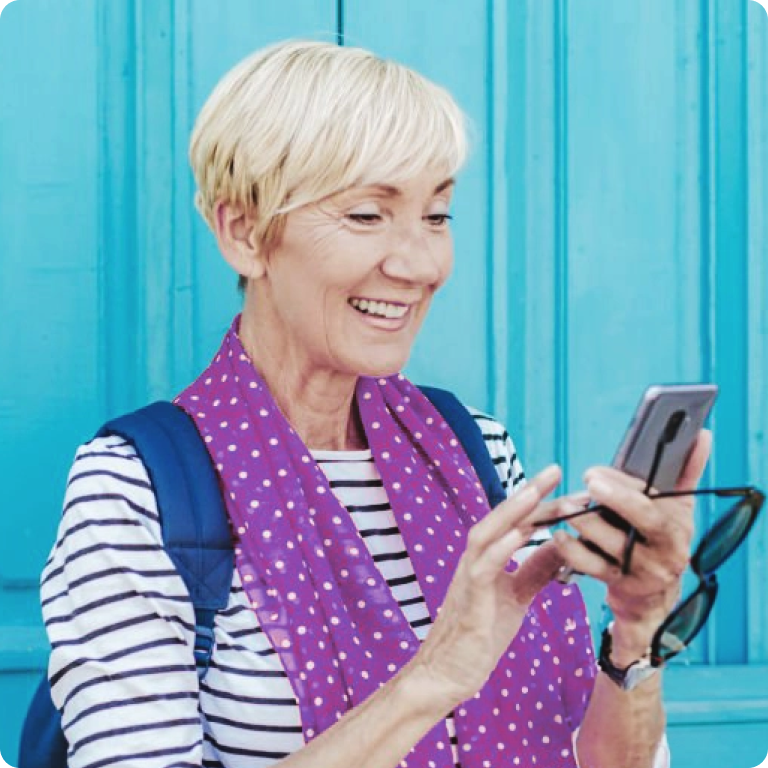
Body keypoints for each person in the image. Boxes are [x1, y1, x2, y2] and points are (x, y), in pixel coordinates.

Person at [40, 40, 710, 768]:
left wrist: (639, 631)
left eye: (436, 215)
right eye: (366, 215)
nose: (419, 264)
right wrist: (434, 678)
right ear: (244, 233)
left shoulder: (477, 449)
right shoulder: (136, 490)